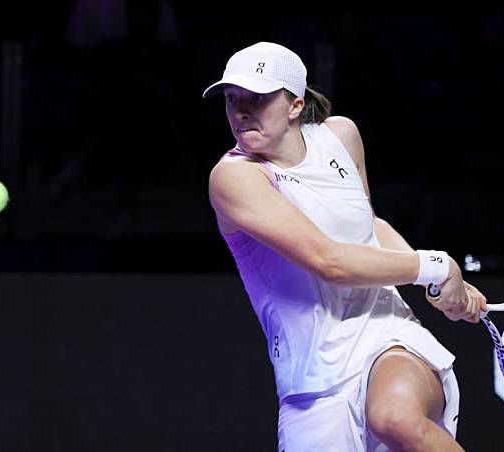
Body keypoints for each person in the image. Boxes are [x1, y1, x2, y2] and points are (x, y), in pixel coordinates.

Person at [203, 41, 487, 451]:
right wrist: (437, 267)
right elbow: (328, 261)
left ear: (295, 105)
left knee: (395, 418)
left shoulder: (341, 135)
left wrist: (433, 286)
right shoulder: (233, 178)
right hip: (313, 379)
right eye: (232, 99)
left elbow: (368, 226)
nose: (241, 110)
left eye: (258, 98)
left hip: (384, 332)